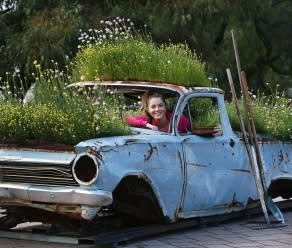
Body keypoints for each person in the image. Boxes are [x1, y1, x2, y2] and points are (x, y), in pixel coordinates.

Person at [124, 92, 190, 133]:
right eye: (153, 107)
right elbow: (126, 119)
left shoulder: (178, 120)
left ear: (165, 107)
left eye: (160, 105)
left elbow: (191, 128)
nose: (157, 109)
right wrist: (147, 124)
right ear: (148, 110)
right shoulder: (147, 119)